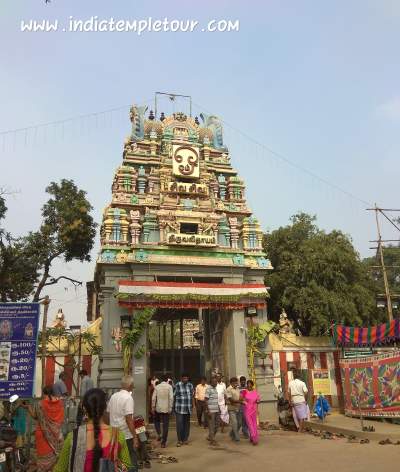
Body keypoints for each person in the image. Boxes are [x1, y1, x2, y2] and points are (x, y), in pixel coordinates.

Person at [54, 388, 131, 472]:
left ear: (84, 409)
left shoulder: (72, 437)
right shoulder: (117, 435)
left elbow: (59, 469)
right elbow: (126, 466)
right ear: (105, 407)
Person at [26, 386, 64, 471]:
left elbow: (35, 417)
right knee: (55, 461)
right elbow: (61, 419)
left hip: (42, 435)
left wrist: (27, 408)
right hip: (57, 435)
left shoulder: (40, 404)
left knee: (43, 460)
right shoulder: (60, 403)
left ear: (44, 393)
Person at [107, 375, 140, 470]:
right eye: (133, 385)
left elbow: (107, 414)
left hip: (113, 434)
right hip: (126, 435)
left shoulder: (113, 396)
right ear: (130, 385)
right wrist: (135, 437)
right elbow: (129, 419)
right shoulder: (128, 398)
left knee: (117, 461)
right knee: (131, 460)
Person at [152, 374, 173, 448]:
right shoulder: (169, 387)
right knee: (165, 425)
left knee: (156, 421)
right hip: (166, 408)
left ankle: (159, 433)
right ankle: (163, 443)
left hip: (158, 408)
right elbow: (171, 398)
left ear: (161, 379)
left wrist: (153, 407)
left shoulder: (157, 387)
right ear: (167, 379)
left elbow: (154, 398)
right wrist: (170, 408)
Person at [174, 373, 194, 447]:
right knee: (179, 424)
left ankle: (185, 439)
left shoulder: (190, 385)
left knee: (187, 424)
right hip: (179, 408)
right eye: (184, 378)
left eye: (187, 378)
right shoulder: (177, 385)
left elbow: (192, 396)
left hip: (188, 408)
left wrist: (193, 406)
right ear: (181, 378)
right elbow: (174, 395)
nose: (185, 379)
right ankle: (179, 440)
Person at [241, 380, 261, 445]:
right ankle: (254, 438)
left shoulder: (255, 392)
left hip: (254, 409)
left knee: (254, 424)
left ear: (252, 385)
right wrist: (245, 403)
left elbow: (258, 400)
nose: (249, 386)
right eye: (248, 384)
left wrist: (257, 402)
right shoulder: (244, 392)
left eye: (250, 385)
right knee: (250, 424)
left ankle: (253, 438)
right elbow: (240, 399)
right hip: (247, 409)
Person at [204, 376, 220, 446]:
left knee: (217, 425)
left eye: (216, 382)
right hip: (211, 411)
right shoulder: (208, 389)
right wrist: (208, 410)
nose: (216, 383)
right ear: (211, 382)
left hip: (216, 410)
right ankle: (212, 440)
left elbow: (216, 400)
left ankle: (210, 436)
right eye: (214, 382)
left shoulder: (215, 389)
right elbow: (205, 400)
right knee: (211, 426)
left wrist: (219, 408)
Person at [226, 377, 242, 442]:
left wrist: (242, 400)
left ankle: (232, 433)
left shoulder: (237, 389)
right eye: (236, 383)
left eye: (237, 382)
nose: (237, 384)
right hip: (231, 408)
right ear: (232, 383)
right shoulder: (228, 389)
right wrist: (240, 401)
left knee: (240, 423)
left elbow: (240, 397)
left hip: (238, 408)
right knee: (235, 423)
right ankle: (236, 436)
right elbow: (231, 400)